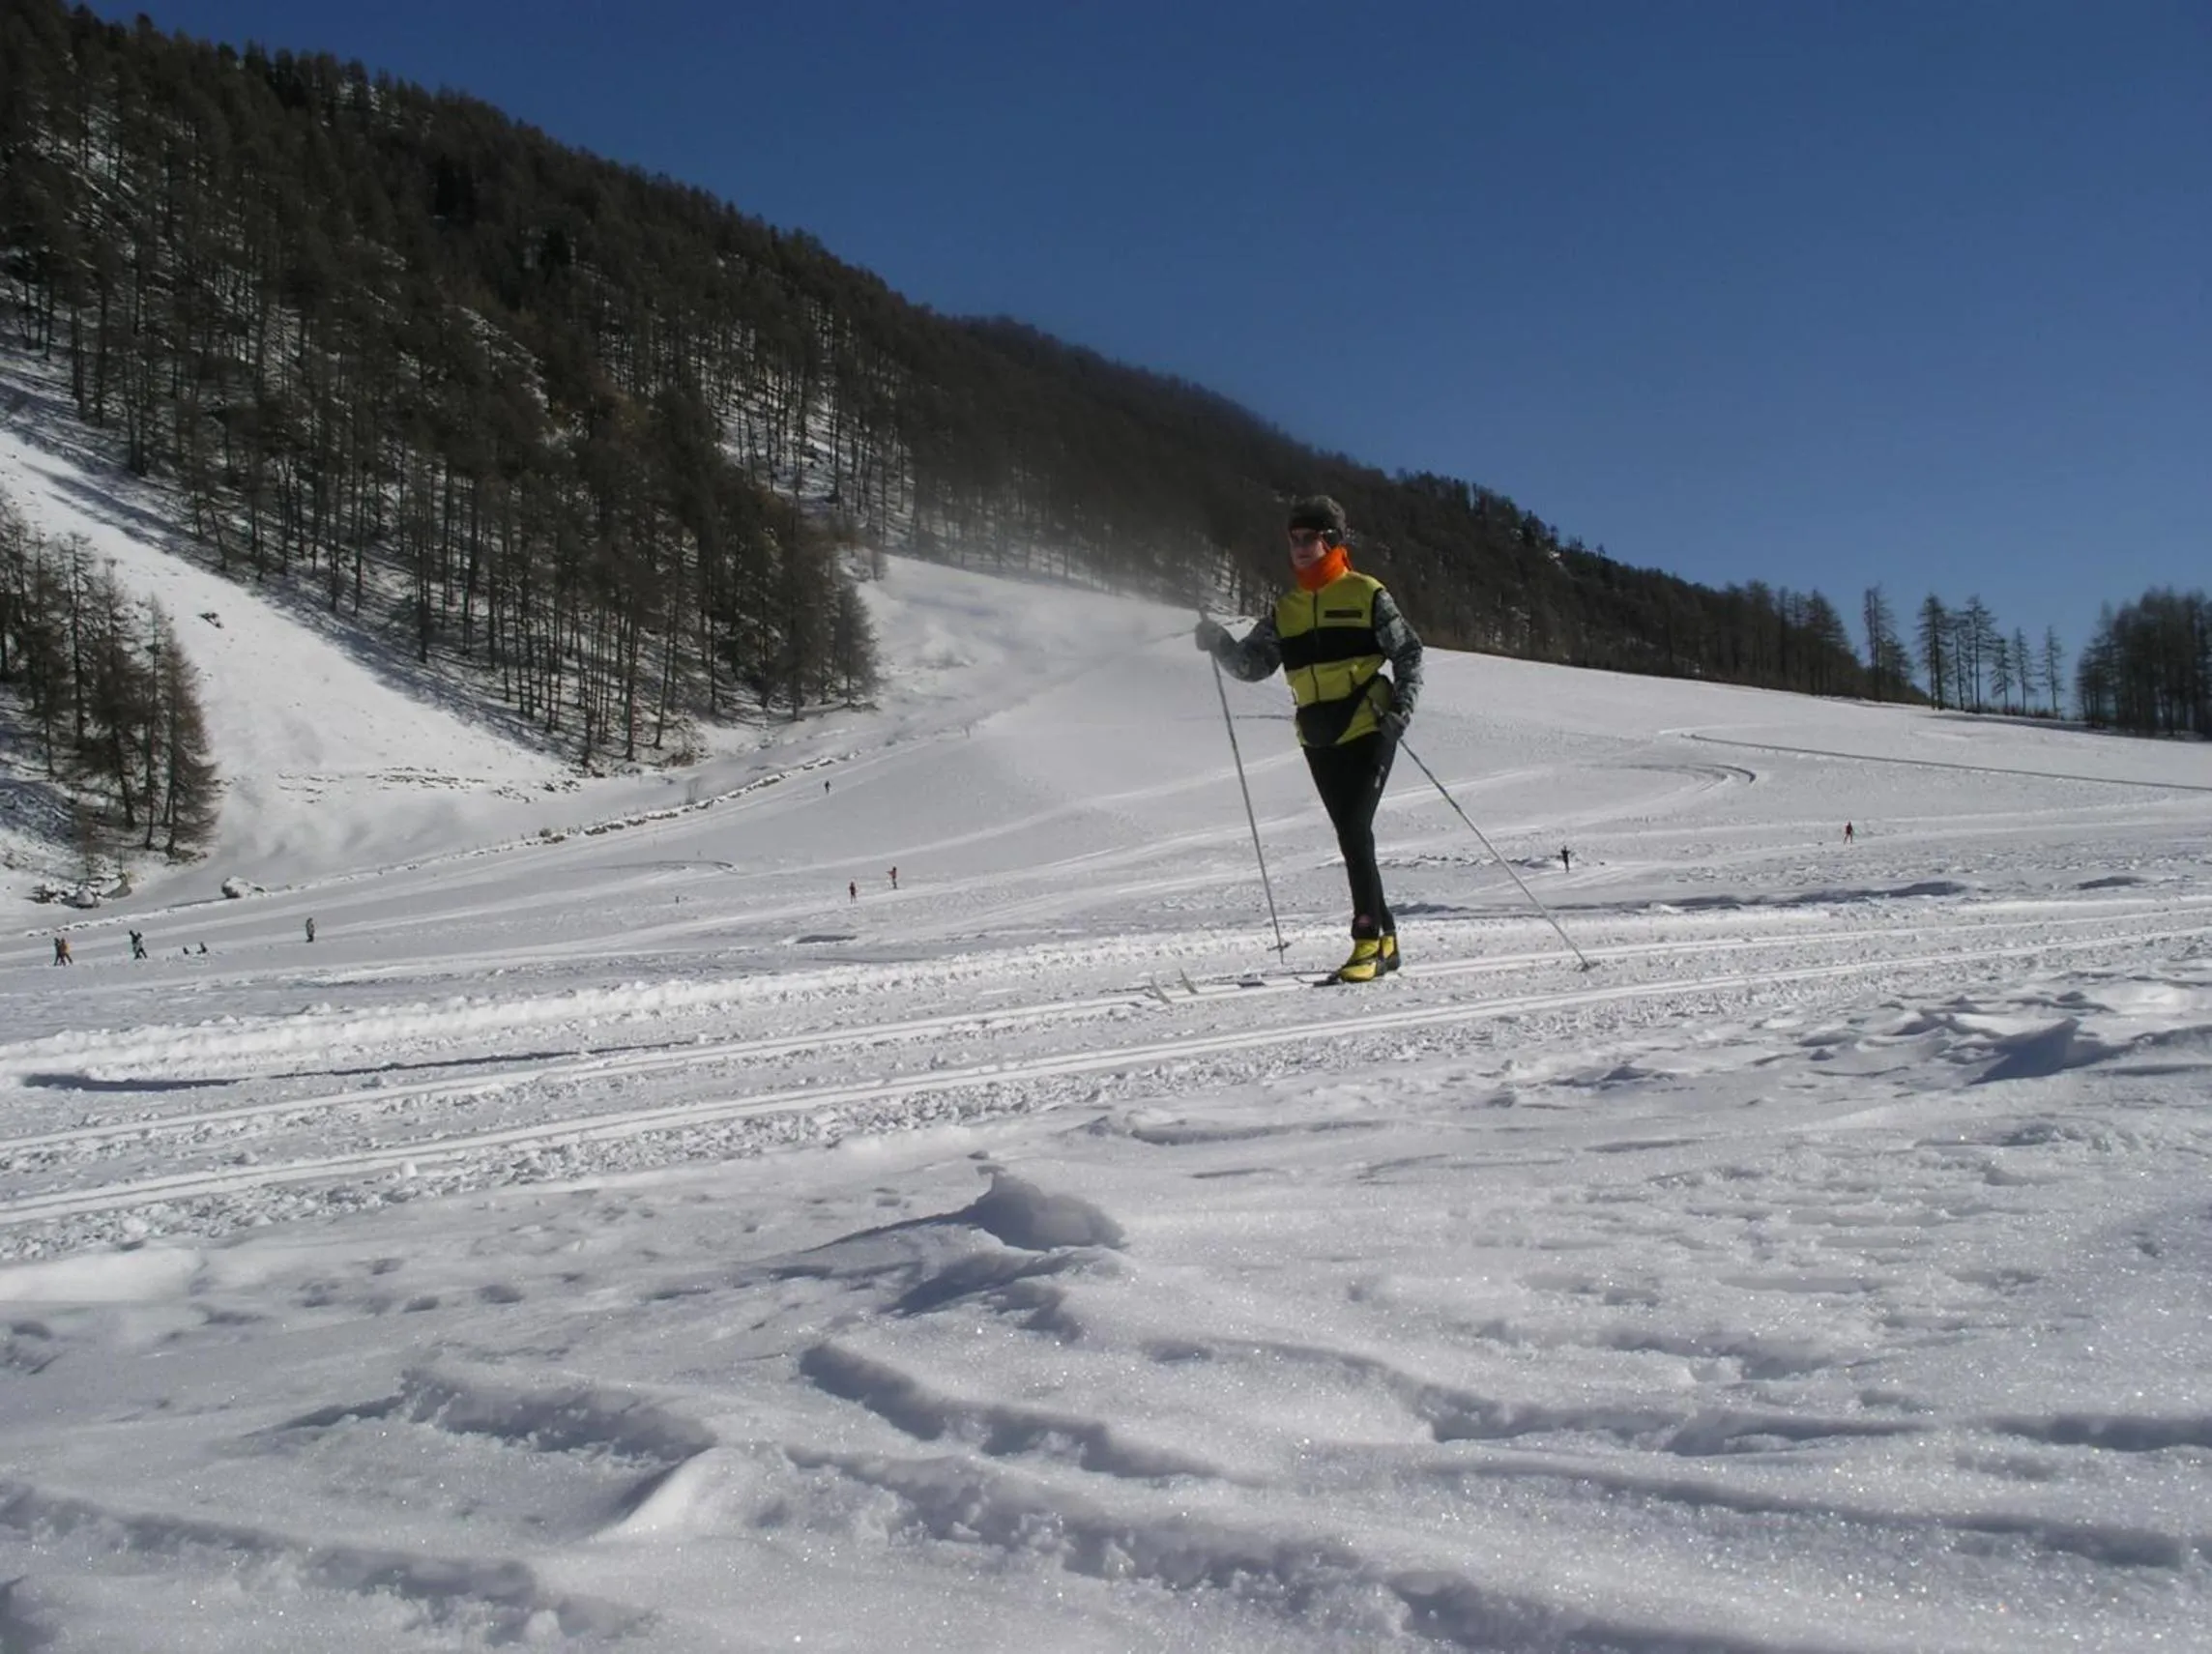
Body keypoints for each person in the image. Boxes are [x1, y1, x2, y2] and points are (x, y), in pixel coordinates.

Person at [1197, 495, 1423, 983]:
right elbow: (1252, 666)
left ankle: (1366, 943)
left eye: (1309, 538)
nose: (1298, 547)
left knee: (1353, 830)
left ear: (1333, 540)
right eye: (1292, 539)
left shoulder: (1367, 594)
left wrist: (1402, 710)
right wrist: (1219, 644)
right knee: (1351, 832)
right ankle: (1387, 936)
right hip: (1318, 736)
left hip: (1370, 725)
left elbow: (1409, 653)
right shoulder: (1287, 610)